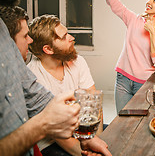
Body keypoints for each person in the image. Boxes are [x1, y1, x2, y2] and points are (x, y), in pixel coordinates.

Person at [0, 0, 111, 155]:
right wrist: (42, 125)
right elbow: (43, 119)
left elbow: (33, 94)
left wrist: (87, 138)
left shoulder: (2, 30)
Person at [27, 14, 104, 156]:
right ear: (48, 49)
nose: (72, 38)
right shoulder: (32, 77)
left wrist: (97, 139)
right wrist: (86, 152)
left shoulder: (77, 61)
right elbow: (55, 132)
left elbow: (94, 105)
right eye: (64, 37)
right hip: (52, 142)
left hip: (83, 130)